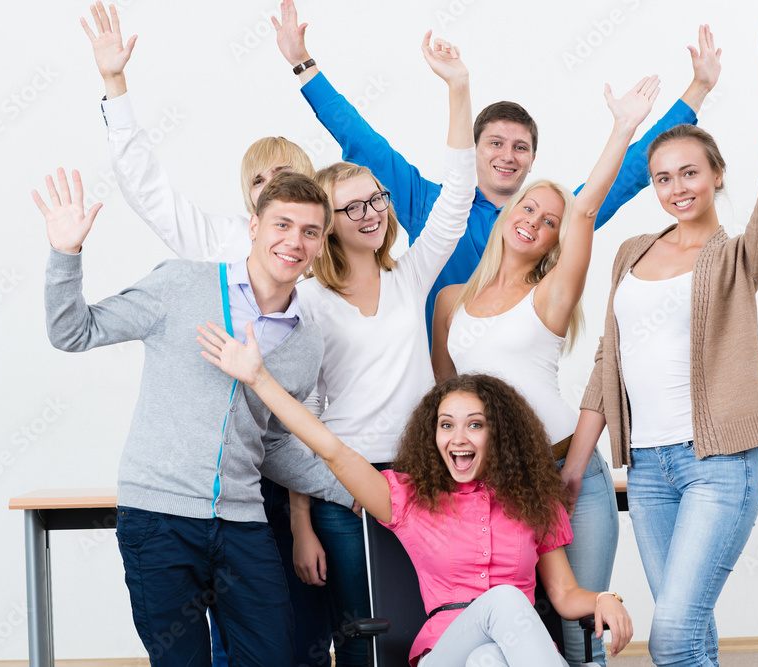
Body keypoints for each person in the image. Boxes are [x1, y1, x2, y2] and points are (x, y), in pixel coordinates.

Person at [80, 4, 325, 662]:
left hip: (273, 478)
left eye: (287, 179)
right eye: (260, 183)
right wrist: (116, 86)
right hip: (203, 488)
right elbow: (146, 185)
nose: (274, 192)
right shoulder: (213, 252)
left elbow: (305, 418)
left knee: (286, 641)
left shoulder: (316, 280)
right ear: (251, 203)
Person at [33, 167, 353, 667]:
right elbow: (73, 331)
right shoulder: (182, 284)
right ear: (254, 227)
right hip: (158, 521)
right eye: (282, 225)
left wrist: (352, 490)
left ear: (320, 244)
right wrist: (65, 253)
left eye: (310, 231)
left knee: (274, 657)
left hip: (242, 524)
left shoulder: (305, 341)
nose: (295, 241)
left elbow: (272, 444)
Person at [570, 4, 758, 665]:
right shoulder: (631, 253)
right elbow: (604, 363)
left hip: (718, 465)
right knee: (693, 635)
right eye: (663, 177)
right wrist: (573, 463)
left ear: (716, 176)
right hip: (647, 471)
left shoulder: (737, 255)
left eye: (690, 173)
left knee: (671, 634)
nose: (677, 187)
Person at [197, 319, 635, 667]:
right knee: (501, 599)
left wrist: (604, 598)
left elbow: (563, 595)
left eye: (475, 424)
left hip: (507, 653)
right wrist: (258, 378)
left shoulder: (533, 501)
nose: (458, 437)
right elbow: (332, 452)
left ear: (500, 434)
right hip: (443, 653)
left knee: (488, 659)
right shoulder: (409, 499)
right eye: (446, 424)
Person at [272, 0, 722, 334]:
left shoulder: (550, 221)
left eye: (520, 148)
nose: (507, 155)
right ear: (472, 149)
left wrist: (698, 90)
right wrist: (301, 63)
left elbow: (627, 174)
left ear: (531, 161)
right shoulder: (430, 205)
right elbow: (360, 139)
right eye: (496, 143)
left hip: (515, 384)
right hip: (440, 390)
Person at [432, 63, 663, 666]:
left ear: (556, 241)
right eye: (527, 209)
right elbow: (445, 405)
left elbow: (586, 211)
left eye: (548, 221)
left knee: (580, 637)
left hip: (568, 474)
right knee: (507, 626)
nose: (532, 222)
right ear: (507, 214)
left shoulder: (551, 296)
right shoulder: (451, 302)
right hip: (498, 483)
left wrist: (621, 130)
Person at [280, 32, 476, 667]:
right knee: (365, 636)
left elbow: (456, 198)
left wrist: (457, 89)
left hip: (424, 476)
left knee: (425, 627)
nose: (369, 213)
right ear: (327, 223)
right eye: (351, 207)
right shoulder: (308, 300)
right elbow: (299, 413)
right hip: (346, 486)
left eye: (376, 200)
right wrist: (301, 521)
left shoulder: (410, 276)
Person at [81, 1, 315, 262]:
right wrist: (114, 81)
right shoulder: (228, 241)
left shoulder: (338, 241)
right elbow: (148, 192)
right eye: (257, 181)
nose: (271, 185)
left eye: (282, 174)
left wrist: (303, 62)